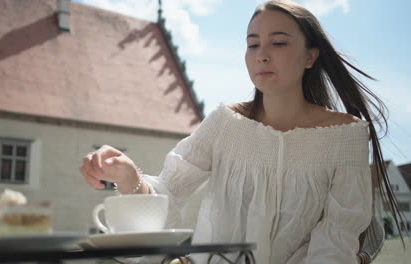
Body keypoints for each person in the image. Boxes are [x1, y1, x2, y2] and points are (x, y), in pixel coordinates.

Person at [79, 0, 404, 263]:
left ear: (310, 56)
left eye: (278, 42)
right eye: (252, 44)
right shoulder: (223, 124)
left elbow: (336, 241)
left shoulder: (345, 136)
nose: (262, 54)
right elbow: (168, 193)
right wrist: (127, 176)